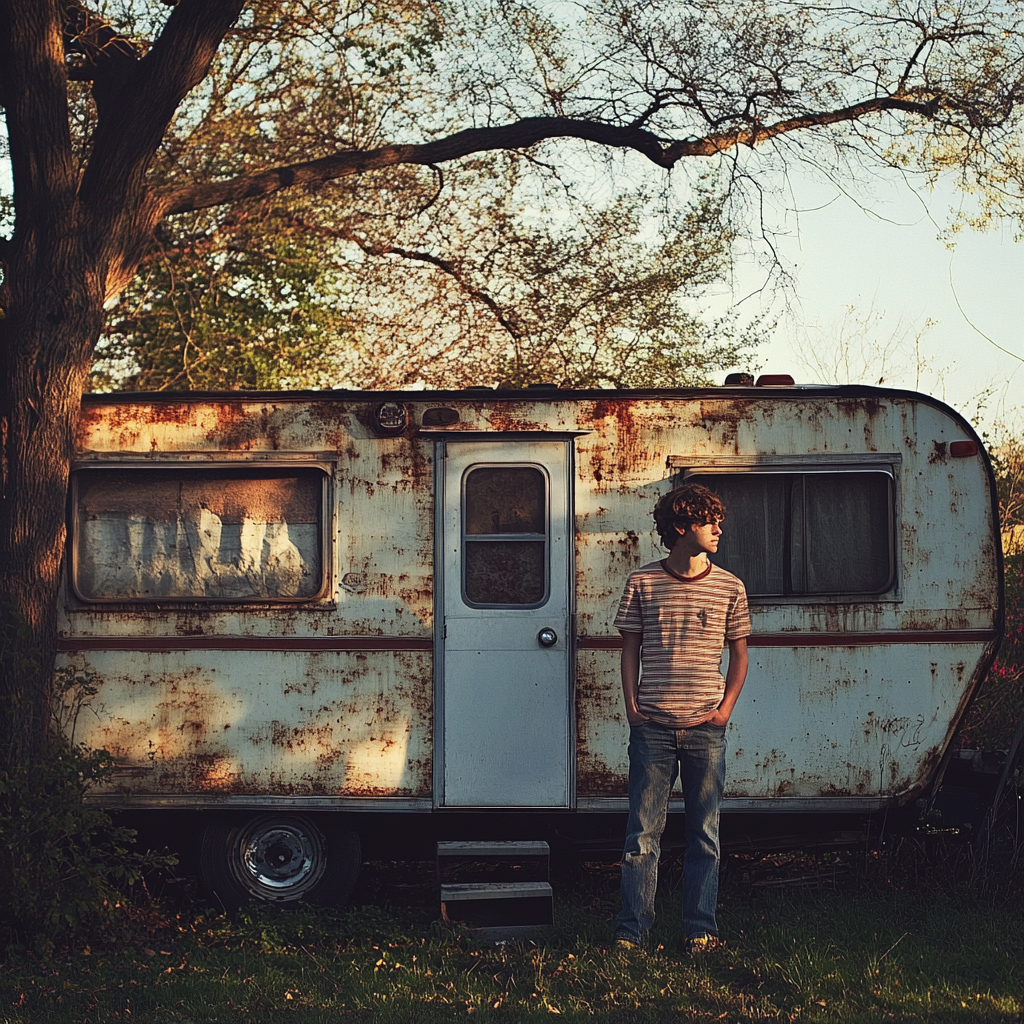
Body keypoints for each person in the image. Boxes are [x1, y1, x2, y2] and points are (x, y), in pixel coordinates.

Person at [612, 482, 750, 956]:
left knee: (704, 835)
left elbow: (740, 654)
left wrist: (724, 709)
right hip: (651, 727)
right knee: (641, 837)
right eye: (707, 520)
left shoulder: (730, 586)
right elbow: (629, 649)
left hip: (704, 731)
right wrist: (632, 707)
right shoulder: (643, 583)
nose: (717, 528)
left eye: (718, 519)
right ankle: (631, 933)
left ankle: (699, 930)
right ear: (680, 527)